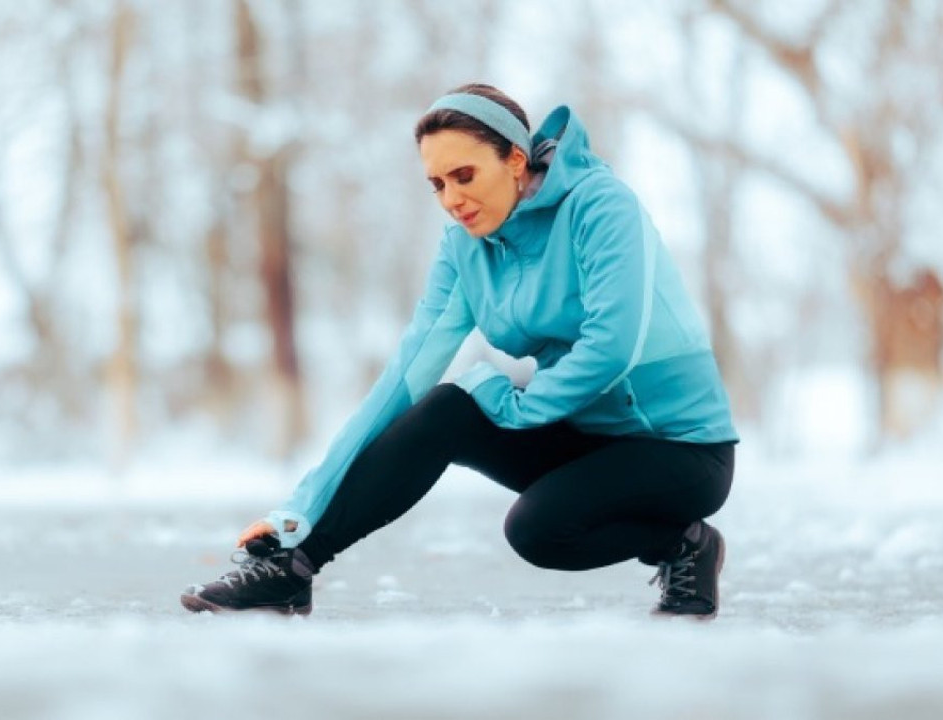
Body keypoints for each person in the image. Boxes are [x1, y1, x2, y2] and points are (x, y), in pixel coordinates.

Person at [181, 83, 738, 619]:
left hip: (682, 449)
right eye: (438, 184)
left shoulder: (600, 206)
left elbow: (613, 345)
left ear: (515, 160)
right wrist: (299, 511)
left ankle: (686, 543)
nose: (452, 199)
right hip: (587, 439)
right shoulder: (464, 249)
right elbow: (406, 376)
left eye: (464, 175)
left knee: (538, 531)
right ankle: (292, 568)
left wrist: (520, 407)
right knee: (448, 406)